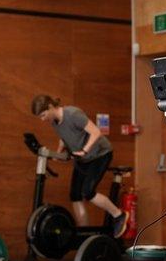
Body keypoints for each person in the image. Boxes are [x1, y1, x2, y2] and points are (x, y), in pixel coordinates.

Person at [31, 95, 128, 238]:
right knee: (75, 195)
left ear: (51, 107)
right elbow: (64, 137)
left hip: (100, 154)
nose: (42, 119)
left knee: (88, 192)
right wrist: (59, 153)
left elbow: (96, 132)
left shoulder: (72, 114)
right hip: (83, 159)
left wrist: (84, 151)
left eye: (43, 115)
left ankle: (119, 215)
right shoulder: (54, 122)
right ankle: (84, 233)